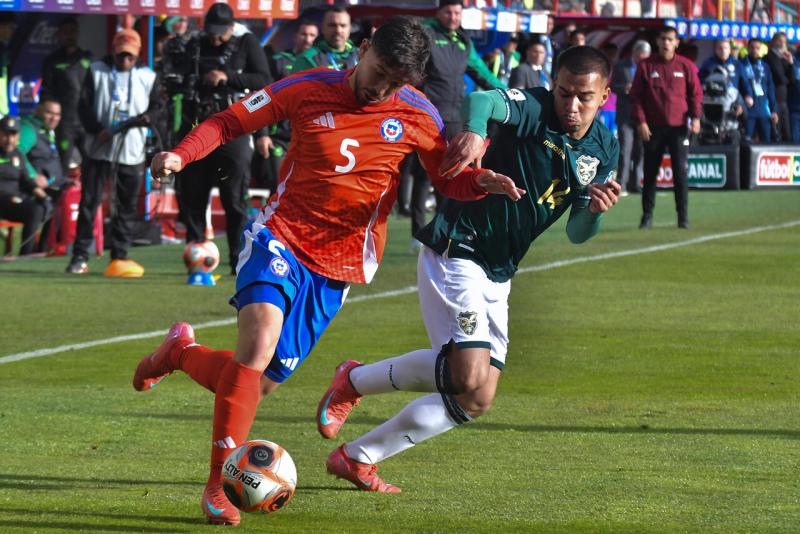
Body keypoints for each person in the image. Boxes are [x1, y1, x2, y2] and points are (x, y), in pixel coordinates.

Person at [133, 17, 523, 526]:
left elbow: (447, 180)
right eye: (377, 71)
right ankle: (219, 486)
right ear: (362, 49)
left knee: (261, 382)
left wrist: (480, 183)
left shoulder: (418, 114)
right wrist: (181, 155)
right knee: (256, 349)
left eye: (393, 81)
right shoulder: (307, 87)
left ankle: (181, 353)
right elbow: (230, 122)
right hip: (281, 237)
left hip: (341, 264)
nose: (380, 87)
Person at [316, 45, 621, 492]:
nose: (570, 106)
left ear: (605, 95)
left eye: (583, 97)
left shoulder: (604, 148)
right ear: (552, 86)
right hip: (458, 249)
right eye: (563, 93)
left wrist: (594, 211)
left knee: (476, 398)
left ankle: (359, 457)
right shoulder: (534, 107)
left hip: (500, 270)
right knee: (466, 374)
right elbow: (481, 101)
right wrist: (477, 132)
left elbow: (578, 232)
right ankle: (354, 381)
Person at [172, 3, 272, 274]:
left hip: (233, 128)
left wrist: (228, 77)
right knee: (193, 193)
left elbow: (265, 79)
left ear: (231, 28)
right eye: (211, 32)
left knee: (234, 198)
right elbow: (178, 76)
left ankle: (237, 261)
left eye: (220, 33)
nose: (215, 38)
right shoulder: (195, 44)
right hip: (197, 124)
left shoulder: (246, 42)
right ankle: (196, 257)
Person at [409, 0, 506, 253]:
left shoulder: (463, 40)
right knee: (424, 176)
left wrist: (510, 95)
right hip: (428, 116)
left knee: (453, 174)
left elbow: (481, 71)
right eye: (448, 12)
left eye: (457, 13)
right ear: (439, 12)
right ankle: (416, 233)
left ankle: (444, 229)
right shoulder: (426, 34)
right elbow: (411, 68)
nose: (453, 17)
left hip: (454, 118)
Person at [65, 29, 160, 276]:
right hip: (99, 149)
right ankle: (80, 256)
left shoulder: (148, 76)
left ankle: (119, 256)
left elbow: (159, 108)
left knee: (126, 206)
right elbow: (83, 106)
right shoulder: (96, 70)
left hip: (132, 150)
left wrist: (149, 118)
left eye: (129, 56)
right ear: (113, 51)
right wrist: (97, 130)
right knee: (90, 203)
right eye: (121, 56)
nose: (125, 61)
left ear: (137, 55)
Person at [630, 26, 702, 230]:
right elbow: (635, 97)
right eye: (663, 39)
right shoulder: (645, 65)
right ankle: (646, 217)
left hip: (679, 128)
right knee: (650, 173)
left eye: (671, 39)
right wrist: (641, 122)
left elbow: (696, 94)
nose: (667, 43)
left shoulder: (686, 65)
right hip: (653, 128)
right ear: (658, 41)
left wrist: (696, 118)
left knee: (680, 173)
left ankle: (683, 217)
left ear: (677, 42)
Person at [39, 17, 92, 174]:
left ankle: (89, 198)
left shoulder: (87, 58)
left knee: (90, 163)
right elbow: (46, 92)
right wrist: (50, 117)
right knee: (63, 162)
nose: (69, 35)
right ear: (59, 34)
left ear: (77, 33)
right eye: (65, 32)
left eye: (72, 31)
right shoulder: (51, 61)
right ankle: (60, 196)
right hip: (64, 123)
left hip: (85, 122)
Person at [0, 117, 48, 256]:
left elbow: (27, 181)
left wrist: (44, 197)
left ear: (18, 137)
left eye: (13, 135)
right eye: (5, 134)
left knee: (37, 209)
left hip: (13, 202)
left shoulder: (17, 155)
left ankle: (25, 254)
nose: (9, 139)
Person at [612, 39, 650, 194]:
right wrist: (624, 88)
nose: (644, 58)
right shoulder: (621, 66)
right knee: (625, 150)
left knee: (640, 151)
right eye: (643, 55)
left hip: (643, 116)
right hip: (625, 114)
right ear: (636, 53)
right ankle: (622, 183)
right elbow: (613, 86)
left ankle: (637, 184)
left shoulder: (649, 67)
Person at [291, 6, 359, 72]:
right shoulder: (307, 59)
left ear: (350, 29)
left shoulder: (362, 55)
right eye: (332, 25)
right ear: (323, 28)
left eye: (343, 26)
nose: (338, 30)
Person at [698, 38, 753, 117]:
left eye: (725, 48)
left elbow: (745, 83)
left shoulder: (737, 64)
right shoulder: (708, 64)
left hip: (732, 103)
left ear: (730, 50)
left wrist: (748, 95)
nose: (723, 51)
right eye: (720, 48)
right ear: (715, 50)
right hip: (713, 103)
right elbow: (700, 84)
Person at [740, 37, 779, 143]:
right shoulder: (741, 64)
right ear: (748, 48)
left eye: (757, 48)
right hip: (748, 111)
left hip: (763, 111)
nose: (754, 50)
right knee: (746, 142)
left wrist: (774, 110)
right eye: (752, 47)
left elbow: (770, 88)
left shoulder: (765, 66)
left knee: (766, 141)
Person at [764, 32, 792, 142]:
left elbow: (792, 80)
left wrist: (789, 63)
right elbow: (781, 78)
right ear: (774, 41)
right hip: (775, 100)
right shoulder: (769, 57)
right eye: (779, 41)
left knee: (787, 134)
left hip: (784, 101)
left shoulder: (784, 58)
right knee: (776, 133)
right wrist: (787, 79)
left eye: (784, 42)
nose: (782, 44)